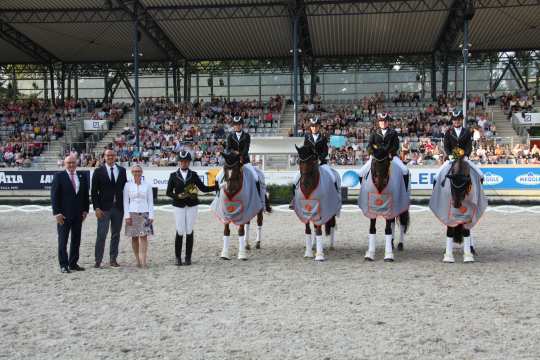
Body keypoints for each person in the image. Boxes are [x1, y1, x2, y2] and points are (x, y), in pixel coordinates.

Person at [166, 151, 218, 266]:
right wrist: (177, 196)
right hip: (179, 206)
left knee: (189, 230)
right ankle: (178, 257)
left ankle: (188, 257)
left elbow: (203, 188)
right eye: (181, 161)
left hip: (192, 206)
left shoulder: (193, 175)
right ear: (179, 162)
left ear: (189, 162)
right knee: (180, 230)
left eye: (186, 161)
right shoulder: (173, 176)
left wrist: (216, 187)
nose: (183, 163)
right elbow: (168, 192)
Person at [51, 155, 89, 273]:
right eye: (69, 163)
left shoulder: (81, 176)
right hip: (63, 215)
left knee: (76, 240)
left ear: (76, 163)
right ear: (65, 164)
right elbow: (54, 196)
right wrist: (57, 213)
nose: (71, 165)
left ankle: (73, 263)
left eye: (73, 162)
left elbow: (84, 196)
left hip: (78, 215)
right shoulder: (59, 176)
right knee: (63, 241)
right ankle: (63, 264)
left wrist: (85, 210)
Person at [91, 149, 127, 268]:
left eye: (112, 155)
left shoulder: (122, 171)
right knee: (101, 235)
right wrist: (96, 208)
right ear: (104, 157)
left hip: (118, 208)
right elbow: (94, 192)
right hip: (103, 209)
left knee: (116, 235)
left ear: (115, 156)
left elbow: (124, 190)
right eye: (108, 155)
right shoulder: (98, 171)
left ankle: (113, 259)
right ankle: (98, 260)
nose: (110, 157)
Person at [359, 112, 409, 186]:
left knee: (405, 170)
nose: (383, 123)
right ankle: (364, 190)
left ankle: (404, 190)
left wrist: (390, 153)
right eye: (381, 121)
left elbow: (396, 145)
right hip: (376, 156)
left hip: (390, 156)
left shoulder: (393, 133)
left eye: (385, 121)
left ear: (388, 122)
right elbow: (369, 145)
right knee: (361, 172)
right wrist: (372, 153)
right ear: (379, 122)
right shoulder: (374, 132)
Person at [123, 165, 154, 268]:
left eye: (139, 171)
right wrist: (127, 216)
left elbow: (150, 201)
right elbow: (125, 202)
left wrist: (151, 215)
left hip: (145, 213)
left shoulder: (147, 185)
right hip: (132, 213)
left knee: (144, 237)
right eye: (135, 171)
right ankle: (137, 260)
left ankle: (144, 261)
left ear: (142, 172)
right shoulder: (127, 185)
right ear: (132, 172)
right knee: (134, 238)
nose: (137, 173)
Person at [442, 111, 483, 178]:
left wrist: (466, 155)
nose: (457, 121)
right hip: (452, 156)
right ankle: (436, 179)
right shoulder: (448, 132)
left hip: (463, 156)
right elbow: (446, 146)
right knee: (440, 172)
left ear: (462, 120)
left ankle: (481, 177)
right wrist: (449, 155)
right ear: (452, 121)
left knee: (477, 172)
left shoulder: (467, 132)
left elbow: (469, 146)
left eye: (459, 119)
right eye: (455, 119)